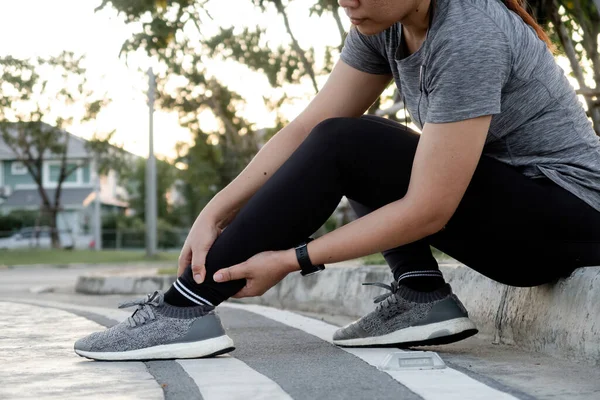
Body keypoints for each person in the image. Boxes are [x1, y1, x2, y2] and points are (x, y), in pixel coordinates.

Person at [74, 0, 600, 361]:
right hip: (520, 211)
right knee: (345, 138)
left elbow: (428, 209)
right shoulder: (383, 24)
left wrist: (293, 260)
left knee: (353, 143)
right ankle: (419, 294)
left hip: (567, 215)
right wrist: (215, 210)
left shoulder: (469, 33)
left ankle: (187, 305)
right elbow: (306, 129)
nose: (346, 1)